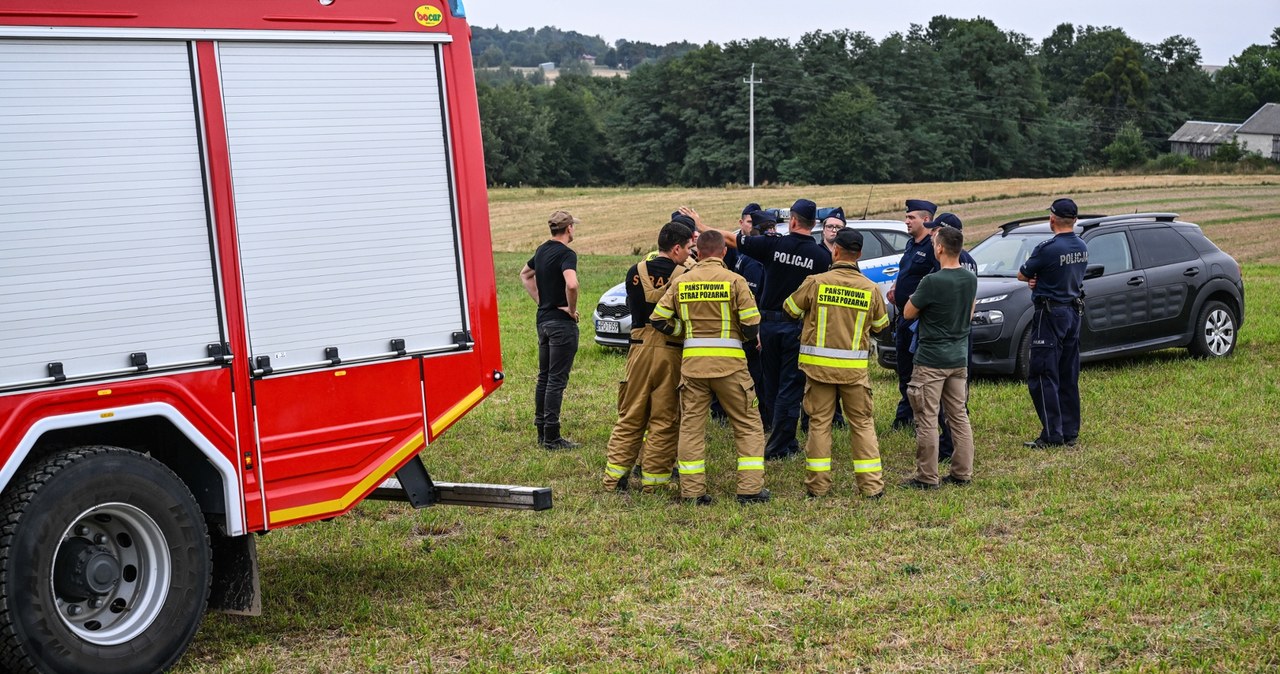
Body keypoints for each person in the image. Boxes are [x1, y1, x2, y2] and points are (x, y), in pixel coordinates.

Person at [683, 200, 831, 461]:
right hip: (798, 326)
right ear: (814, 224)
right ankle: (781, 443)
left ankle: (780, 438)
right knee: (790, 386)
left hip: (769, 326)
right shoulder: (821, 256)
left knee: (772, 384)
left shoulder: (775, 245)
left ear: (793, 221)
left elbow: (730, 240)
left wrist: (701, 224)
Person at [650, 230, 769, 505]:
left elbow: (658, 318)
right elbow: (752, 325)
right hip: (731, 367)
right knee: (748, 424)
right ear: (723, 252)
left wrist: (684, 332)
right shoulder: (735, 281)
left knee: (691, 427)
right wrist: (739, 336)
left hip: (693, 367)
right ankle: (750, 490)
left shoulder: (682, 281)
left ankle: (692, 492)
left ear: (698, 253)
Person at [783, 229, 890, 498]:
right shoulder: (870, 288)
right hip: (854, 372)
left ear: (835, 251)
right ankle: (872, 487)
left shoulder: (816, 282)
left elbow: (790, 309)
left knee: (819, 424)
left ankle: (817, 487)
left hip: (818, 371)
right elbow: (880, 327)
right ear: (860, 255)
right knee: (863, 425)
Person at [602, 221, 695, 492]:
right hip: (671, 351)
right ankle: (653, 482)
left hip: (638, 350)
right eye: (688, 248)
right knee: (664, 419)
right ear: (676, 248)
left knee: (630, 415)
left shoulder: (635, 271)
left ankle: (613, 479)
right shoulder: (686, 274)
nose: (690, 254)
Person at [900, 226, 977, 489]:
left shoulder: (932, 281)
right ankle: (961, 472)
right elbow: (968, 314)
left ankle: (926, 476)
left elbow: (908, 313)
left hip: (931, 359)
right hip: (958, 358)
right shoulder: (970, 279)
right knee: (958, 416)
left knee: (927, 419)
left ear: (940, 248)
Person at [1018, 198, 1088, 449]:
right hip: (1073, 312)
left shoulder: (1047, 248)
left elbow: (1023, 273)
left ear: (1052, 219)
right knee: (1068, 373)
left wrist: (1037, 280)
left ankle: (1052, 434)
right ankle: (1070, 430)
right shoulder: (1082, 245)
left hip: (1049, 315)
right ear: (1075, 220)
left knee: (1043, 373)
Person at [519, 210, 582, 449]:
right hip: (560, 325)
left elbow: (525, 275)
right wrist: (570, 309)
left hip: (543, 321)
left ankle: (541, 431)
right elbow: (572, 284)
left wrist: (542, 300)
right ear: (568, 229)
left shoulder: (542, 250)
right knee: (556, 379)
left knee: (544, 377)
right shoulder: (567, 254)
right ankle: (553, 437)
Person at [887, 199, 938, 432]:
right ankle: (905, 415)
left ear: (925, 220)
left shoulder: (933, 247)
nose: (906, 221)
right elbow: (905, 271)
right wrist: (896, 288)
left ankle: (920, 417)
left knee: (920, 373)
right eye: (906, 217)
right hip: (903, 319)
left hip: (920, 321)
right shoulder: (910, 245)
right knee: (905, 370)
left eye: (911, 218)